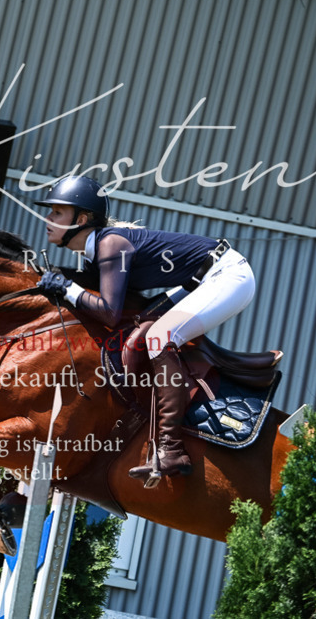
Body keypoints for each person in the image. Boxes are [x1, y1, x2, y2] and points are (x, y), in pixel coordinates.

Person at [34, 175, 255, 482]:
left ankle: (171, 448)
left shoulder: (110, 244)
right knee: (139, 331)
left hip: (227, 275)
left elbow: (109, 313)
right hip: (197, 280)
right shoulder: (95, 252)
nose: (47, 219)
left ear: (81, 219)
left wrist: (67, 287)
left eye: (57, 212)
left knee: (159, 338)